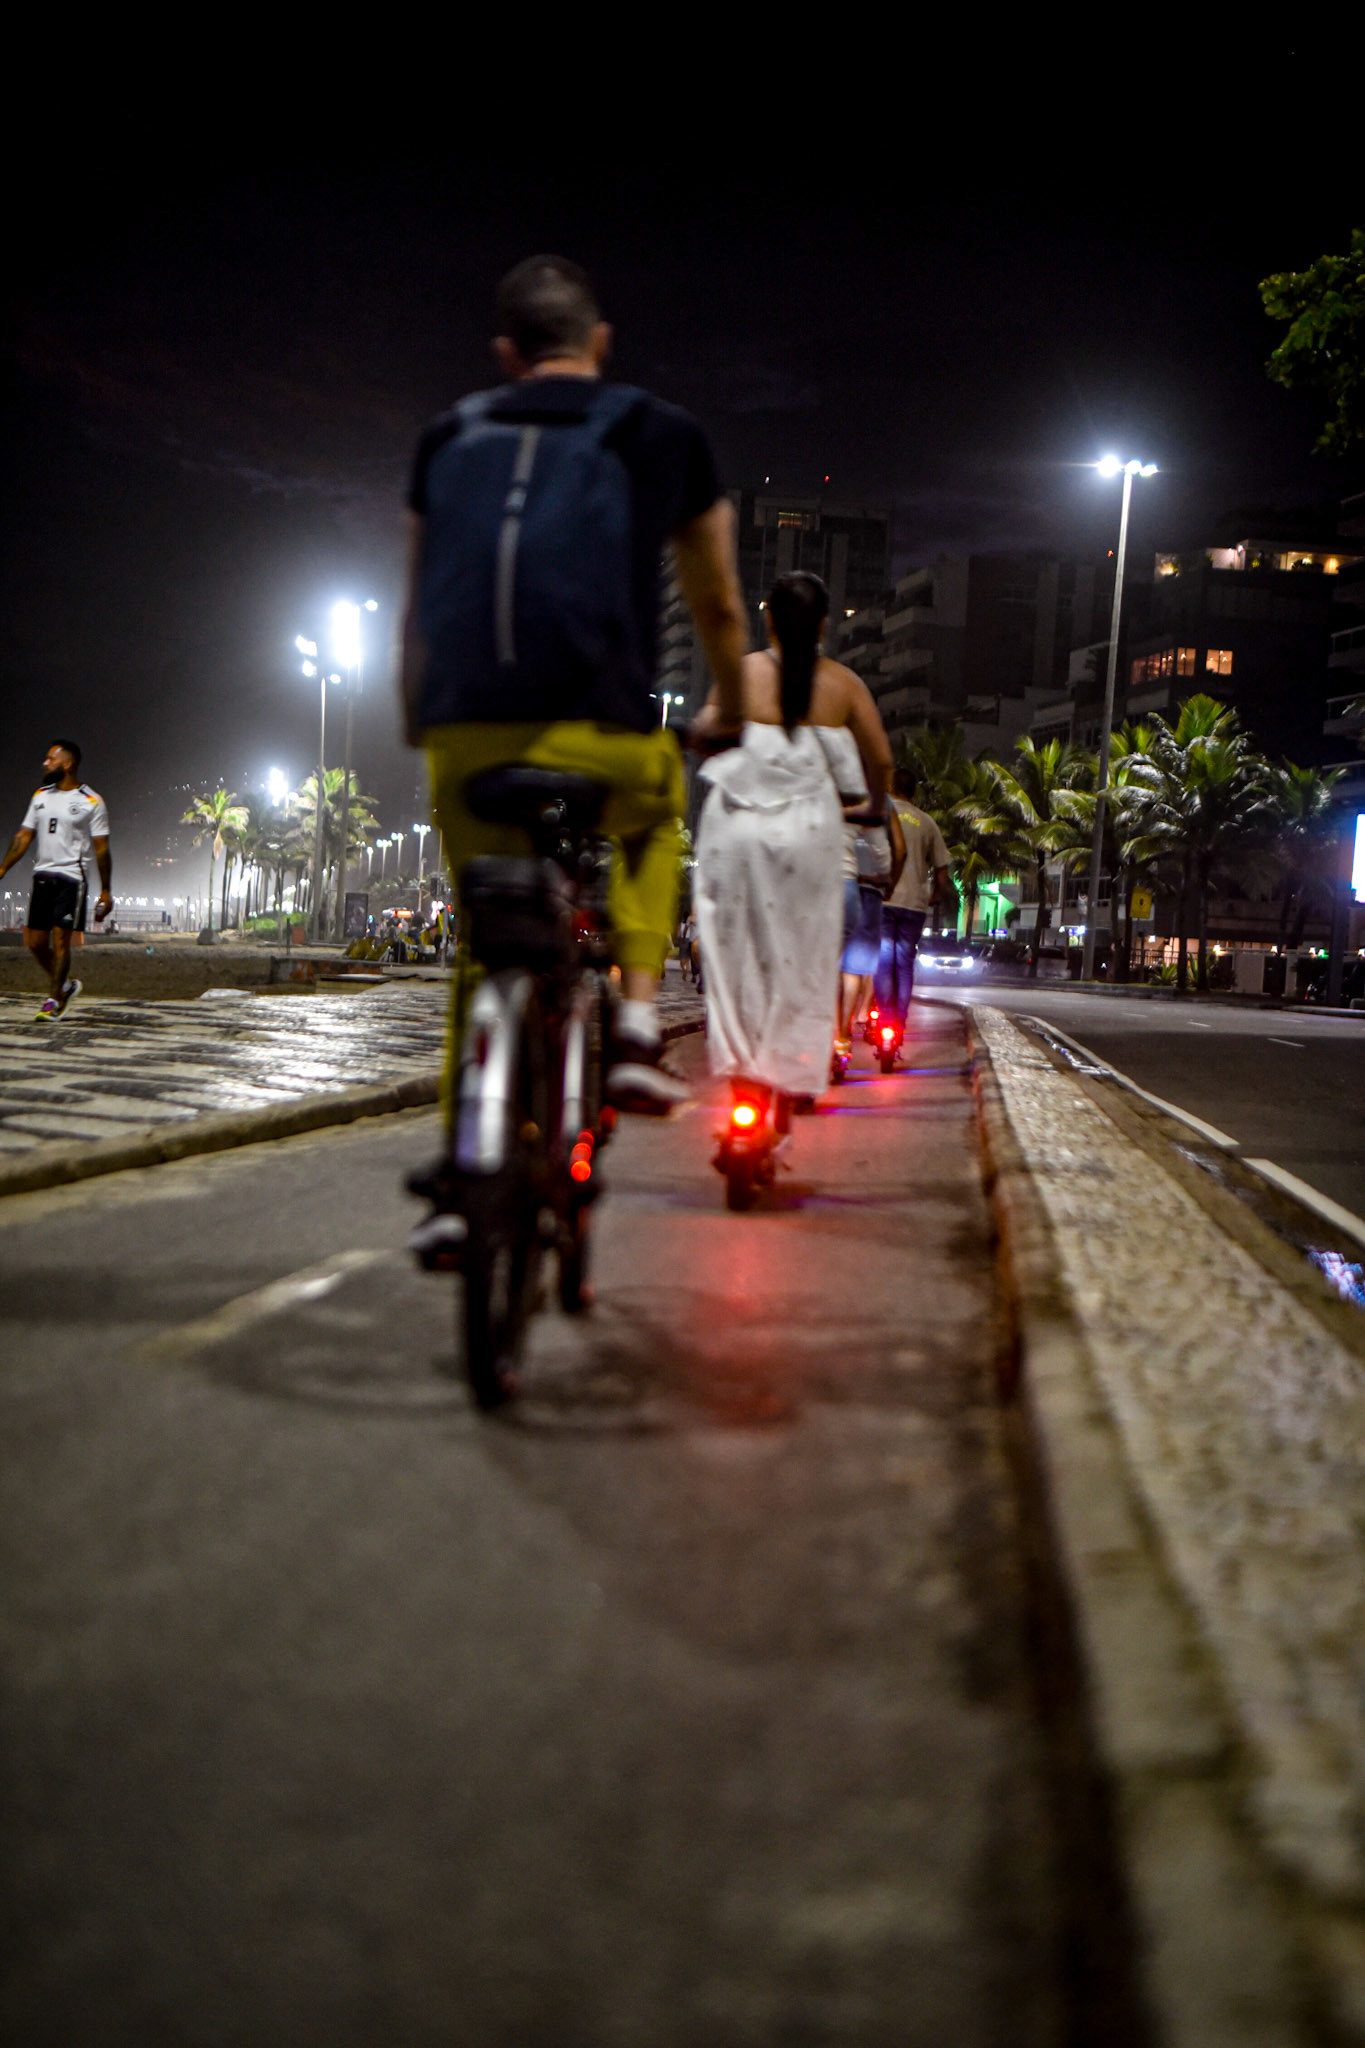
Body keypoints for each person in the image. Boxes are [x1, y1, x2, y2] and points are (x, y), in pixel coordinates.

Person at [400, 256, 747, 1131]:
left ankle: (461, 1171)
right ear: (599, 341)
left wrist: (421, 720)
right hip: (605, 731)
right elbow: (715, 604)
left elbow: (415, 610)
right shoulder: (659, 431)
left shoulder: (445, 437)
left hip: (467, 733)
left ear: (507, 353)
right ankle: (632, 1027)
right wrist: (730, 706)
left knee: (488, 929)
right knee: (654, 821)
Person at [691, 571, 893, 1126]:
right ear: (825, 623)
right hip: (810, 838)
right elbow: (880, 761)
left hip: (737, 837)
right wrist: (873, 807)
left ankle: (741, 1071)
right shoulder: (845, 686)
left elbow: (708, 731)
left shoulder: (743, 674)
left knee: (738, 955)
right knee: (805, 960)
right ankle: (796, 1067)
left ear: (769, 620)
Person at [0, 740, 112, 1020]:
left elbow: (102, 849)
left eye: (51, 759)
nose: (45, 763)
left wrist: (106, 890)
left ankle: (53, 1001)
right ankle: (65, 986)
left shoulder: (91, 800)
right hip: (42, 876)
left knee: (61, 941)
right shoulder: (40, 795)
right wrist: (2, 869)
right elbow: (23, 837)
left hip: (72, 879)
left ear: (68, 764)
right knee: (36, 943)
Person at [874, 763, 952, 1036]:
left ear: (892, 788)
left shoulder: (882, 815)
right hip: (915, 904)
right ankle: (899, 1022)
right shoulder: (927, 822)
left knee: (884, 960)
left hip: (884, 898)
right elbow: (942, 868)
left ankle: (884, 1018)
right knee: (904, 962)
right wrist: (936, 895)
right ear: (915, 791)